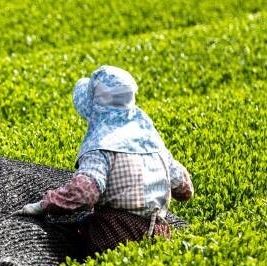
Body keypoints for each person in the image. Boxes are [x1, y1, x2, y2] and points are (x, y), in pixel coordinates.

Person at [15, 65, 193, 255]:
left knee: (65, 234)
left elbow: (85, 193)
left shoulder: (101, 146)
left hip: (116, 233)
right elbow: (185, 190)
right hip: (159, 232)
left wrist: (45, 204)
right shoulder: (153, 144)